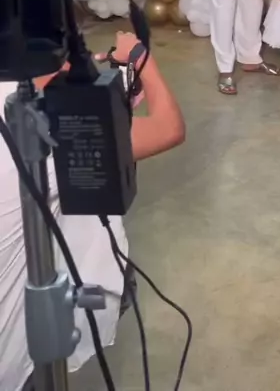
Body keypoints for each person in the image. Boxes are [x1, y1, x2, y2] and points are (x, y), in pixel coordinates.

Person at [0, 31, 185, 391]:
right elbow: (169, 128)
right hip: (16, 360)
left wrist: (109, 107)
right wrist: (142, 59)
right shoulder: (34, 129)